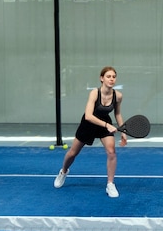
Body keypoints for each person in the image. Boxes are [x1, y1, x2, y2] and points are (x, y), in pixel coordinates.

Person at [54, 66, 127, 198]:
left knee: (111, 152)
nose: (111, 79)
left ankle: (110, 184)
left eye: (114, 77)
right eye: (108, 76)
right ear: (102, 78)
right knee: (72, 153)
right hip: (89, 123)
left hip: (105, 123)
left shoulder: (118, 96)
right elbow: (88, 115)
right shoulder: (94, 93)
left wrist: (123, 130)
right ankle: (63, 171)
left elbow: (118, 113)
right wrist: (107, 125)